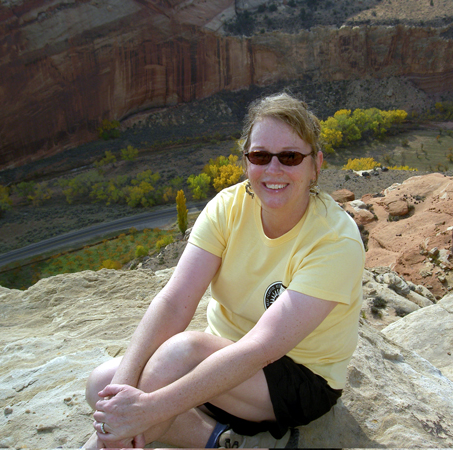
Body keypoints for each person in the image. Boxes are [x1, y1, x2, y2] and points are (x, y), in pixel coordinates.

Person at [83, 92, 365, 449]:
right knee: (102, 385)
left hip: (296, 380)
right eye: (260, 155)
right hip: (223, 365)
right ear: (246, 161)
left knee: (177, 356)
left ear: (316, 165)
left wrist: (149, 408)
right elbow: (174, 302)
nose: (274, 169)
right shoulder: (227, 208)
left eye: (290, 157)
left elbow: (262, 348)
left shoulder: (335, 241)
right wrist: (122, 392)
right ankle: (218, 441)